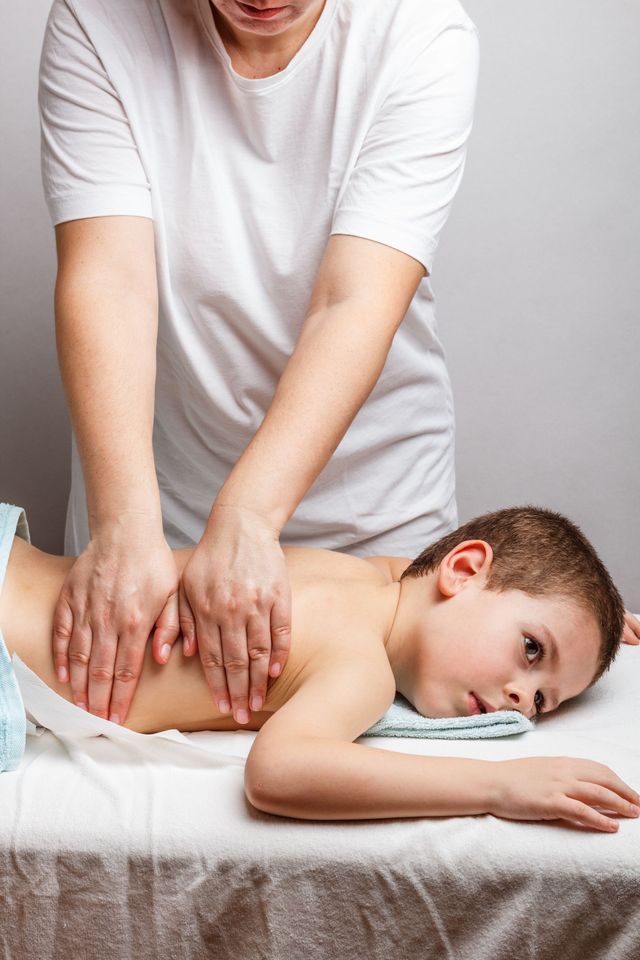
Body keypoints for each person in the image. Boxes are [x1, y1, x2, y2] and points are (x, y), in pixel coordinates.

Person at [38, 0, 482, 729]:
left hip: (370, 526)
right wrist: (124, 526)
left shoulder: (421, 32)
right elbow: (110, 281)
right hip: (151, 524)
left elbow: (352, 300)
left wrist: (248, 515)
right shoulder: (97, 20)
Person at [2, 501, 639, 831]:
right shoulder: (363, 668)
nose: (519, 697)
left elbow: (417, 572)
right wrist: (500, 787)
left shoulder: (363, 577)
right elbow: (279, 772)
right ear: (465, 569)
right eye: (532, 650)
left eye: (543, 700)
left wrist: (597, 622)